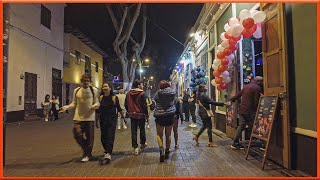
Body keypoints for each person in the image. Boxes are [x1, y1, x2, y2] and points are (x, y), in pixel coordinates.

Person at [59, 74, 100, 162]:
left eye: (88, 80)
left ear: (90, 81)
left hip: (90, 117)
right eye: (84, 81)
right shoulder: (76, 90)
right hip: (78, 117)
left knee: (90, 138)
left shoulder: (94, 90)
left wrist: (95, 106)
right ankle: (87, 151)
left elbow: (97, 102)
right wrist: (66, 107)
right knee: (77, 134)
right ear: (81, 81)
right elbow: (74, 103)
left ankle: (87, 155)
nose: (86, 82)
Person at [226, 76, 263, 150]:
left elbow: (238, 95)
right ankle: (262, 144)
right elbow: (256, 102)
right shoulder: (257, 88)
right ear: (258, 81)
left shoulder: (246, 86)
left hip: (242, 110)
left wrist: (230, 100)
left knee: (241, 126)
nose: (262, 83)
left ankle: (235, 143)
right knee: (255, 127)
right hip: (251, 111)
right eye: (262, 82)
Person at [97, 83, 124, 164]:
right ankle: (106, 150)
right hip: (103, 119)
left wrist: (123, 117)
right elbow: (98, 110)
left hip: (112, 120)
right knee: (103, 137)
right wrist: (96, 120)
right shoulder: (101, 98)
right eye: (104, 86)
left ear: (110, 88)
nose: (105, 88)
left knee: (110, 136)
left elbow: (119, 108)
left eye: (106, 86)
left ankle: (108, 153)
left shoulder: (114, 97)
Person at [154, 80, 176, 162]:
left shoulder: (158, 93)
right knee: (168, 134)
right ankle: (167, 150)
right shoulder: (172, 93)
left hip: (159, 115)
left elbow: (155, 100)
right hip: (170, 115)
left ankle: (161, 149)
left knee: (159, 134)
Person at [125, 80, 148, 156]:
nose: (142, 86)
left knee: (133, 131)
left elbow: (126, 104)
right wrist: (146, 115)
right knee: (142, 130)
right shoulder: (142, 93)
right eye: (141, 85)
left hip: (132, 115)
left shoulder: (128, 94)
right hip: (141, 115)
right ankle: (142, 143)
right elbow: (144, 105)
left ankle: (135, 148)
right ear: (138, 85)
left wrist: (130, 111)